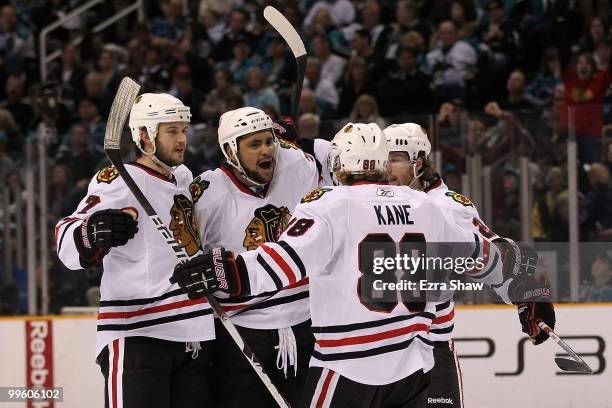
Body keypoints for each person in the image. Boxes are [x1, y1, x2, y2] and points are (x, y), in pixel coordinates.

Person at [172, 122, 537, 407]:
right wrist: (531, 294)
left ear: (340, 164)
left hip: (347, 368)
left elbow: (279, 265)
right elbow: (487, 258)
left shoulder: (330, 206)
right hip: (412, 365)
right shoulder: (425, 206)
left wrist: (224, 270)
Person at [55, 93, 214, 408]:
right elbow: (65, 239)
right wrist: (92, 232)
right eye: (172, 131)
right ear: (145, 135)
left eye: (183, 130)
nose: (182, 139)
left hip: (193, 334)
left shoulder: (182, 178)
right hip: (138, 334)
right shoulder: (118, 181)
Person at [383, 122, 556, 408]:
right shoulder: (372, 201)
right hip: (374, 348)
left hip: (428, 348)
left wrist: (525, 291)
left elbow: (493, 248)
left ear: (420, 162)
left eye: (396, 158)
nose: (387, 168)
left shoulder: (446, 205)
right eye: (383, 158)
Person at [188, 106, 320, 407]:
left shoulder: (296, 164)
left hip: (306, 326)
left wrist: (300, 143)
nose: (267, 151)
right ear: (231, 151)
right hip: (241, 334)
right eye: (254, 144)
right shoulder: (207, 193)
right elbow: (188, 259)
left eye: (269, 141)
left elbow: (337, 167)